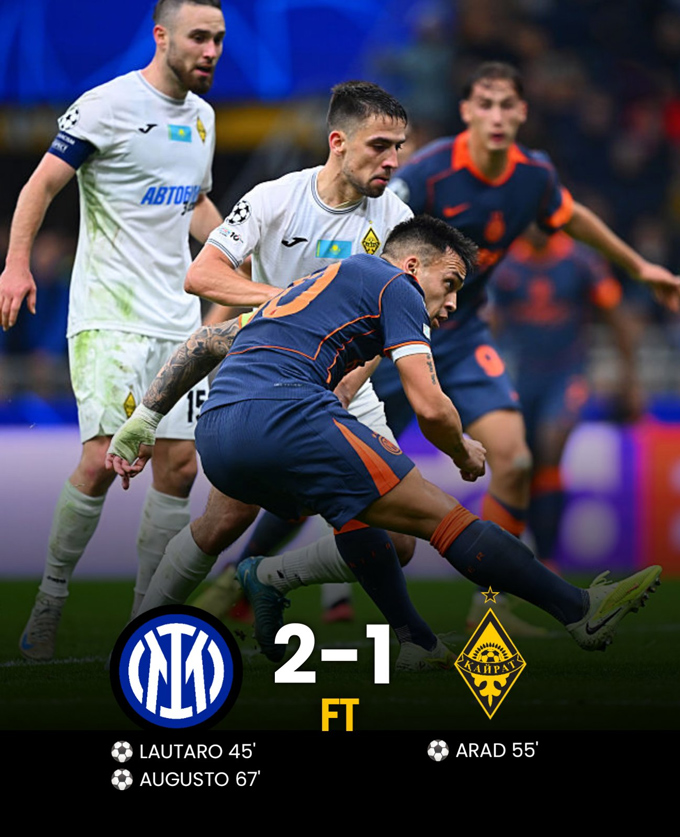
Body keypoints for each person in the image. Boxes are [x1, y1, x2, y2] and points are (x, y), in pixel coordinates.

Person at [107, 216, 662, 664]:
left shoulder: (312, 286)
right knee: (443, 519)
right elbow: (429, 406)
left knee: (360, 515)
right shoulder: (397, 285)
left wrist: (143, 421)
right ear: (414, 265)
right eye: (449, 285)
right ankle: (581, 609)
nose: (451, 304)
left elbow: (207, 341)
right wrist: (462, 450)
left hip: (219, 431)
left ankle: (150, 631)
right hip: (287, 413)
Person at [369, 61, 680, 631]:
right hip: (396, 335)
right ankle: (251, 576)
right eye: (484, 104)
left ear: (522, 113)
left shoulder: (534, 176)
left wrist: (639, 267)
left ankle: (489, 609)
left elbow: (574, 217)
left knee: (515, 460)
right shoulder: (430, 172)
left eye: (505, 105)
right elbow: (371, 236)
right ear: (466, 111)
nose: (496, 115)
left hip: (465, 336)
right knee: (352, 489)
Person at [146, 79, 422, 638]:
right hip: (268, 381)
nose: (393, 160)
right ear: (338, 142)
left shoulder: (396, 217)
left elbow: (387, 318)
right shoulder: (275, 198)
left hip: (349, 386)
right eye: (380, 146)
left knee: (400, 540)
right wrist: (288, 302)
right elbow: (203, 274)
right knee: (225, 520)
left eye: (398, 147)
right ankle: (145, 620)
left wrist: (349, 382)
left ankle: (267, 575)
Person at [0, 0, 226, 661]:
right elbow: (40, 186)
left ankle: (147, 615)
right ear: (161, 37)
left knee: (179, 466)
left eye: (218, 39)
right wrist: (16, 265)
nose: (211, 50)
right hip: (110, 315)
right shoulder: (106, 105)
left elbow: (193, 202)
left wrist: (238, 251)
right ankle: (50, 599)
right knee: (103, 458)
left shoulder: (205, 117)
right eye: (198, 37)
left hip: (178, 320)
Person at [488, 226, 642, 568]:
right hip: (521, 375)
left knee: (550, 444)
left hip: (567, 374)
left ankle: (547, 559)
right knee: (520, 463)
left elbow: (617, 318)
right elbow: (491, 324)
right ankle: (518, 557)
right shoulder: (508, 265)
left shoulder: (581, 261)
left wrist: (630, 380)